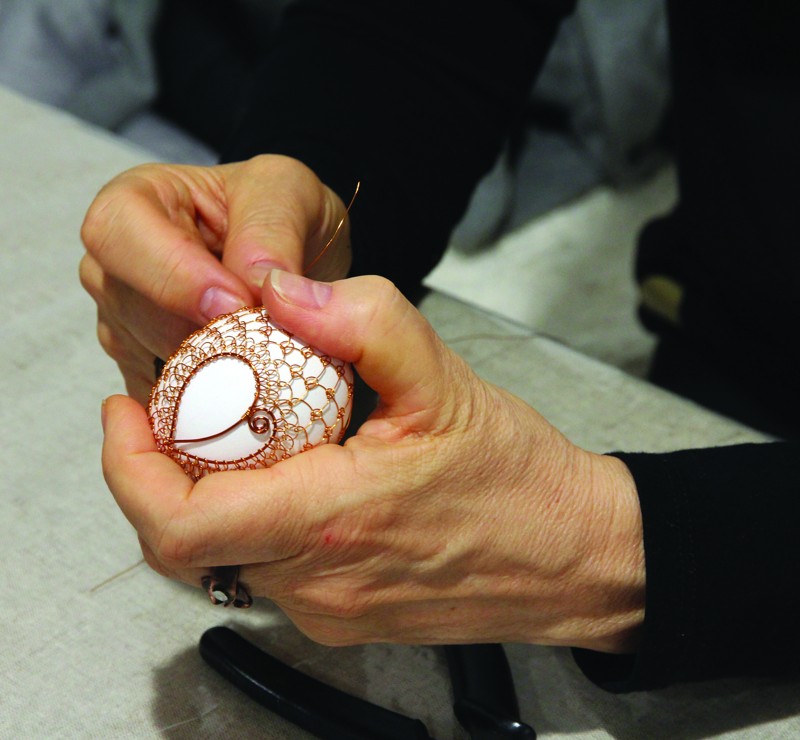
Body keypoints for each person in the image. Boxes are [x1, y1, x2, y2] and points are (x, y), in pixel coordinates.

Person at [80, 0, 800, 693]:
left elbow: (646, 548)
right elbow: (432, 24)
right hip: (719, 340)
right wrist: (304, 189)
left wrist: (629, 545)